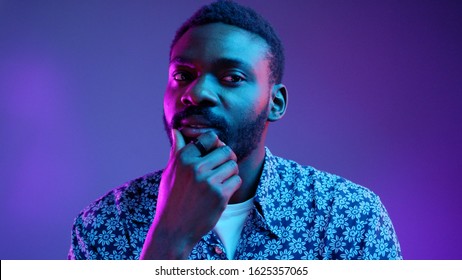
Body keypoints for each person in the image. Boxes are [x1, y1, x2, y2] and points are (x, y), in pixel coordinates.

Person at [68, 0, 402, 260]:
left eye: (231, 78)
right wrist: (170, 239)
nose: (196, 93)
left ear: (275, 102)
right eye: (183, 75)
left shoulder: (349, 217)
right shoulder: (105, 224)